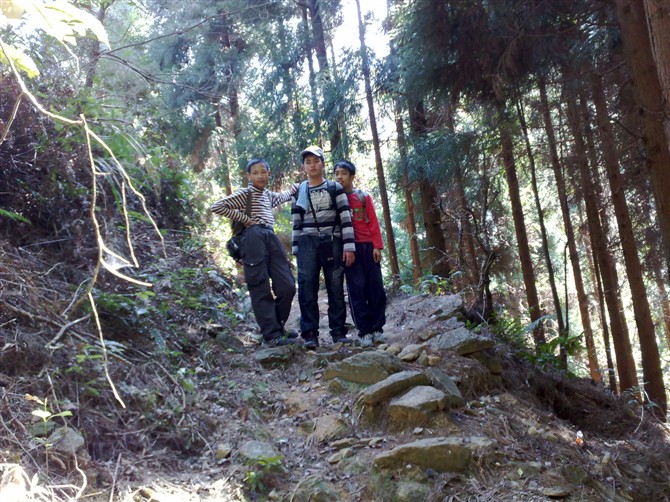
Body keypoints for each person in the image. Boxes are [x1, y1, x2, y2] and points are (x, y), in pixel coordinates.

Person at [211, 158, 298, 347]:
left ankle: (277, 327)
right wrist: (245, 219)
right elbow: (217, 206)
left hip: (270, 236)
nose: (260, 176)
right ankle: (272, 335)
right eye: (255, 172)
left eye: (263, 172)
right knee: (260, 285)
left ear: (268, 173)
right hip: (253, 237)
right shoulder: (245, 194)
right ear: (248, 175)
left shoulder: (267, 195)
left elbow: (284, 196)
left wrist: (294, 188)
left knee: (287, 285)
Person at [291, 146, 356, 349]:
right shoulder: (299, 190)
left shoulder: (335, 188)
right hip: (307, 243)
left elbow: (345, 218)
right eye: (308, 162)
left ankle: (338, 332)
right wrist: (296, 249)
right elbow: (296, 221)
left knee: (335, 286)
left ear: (323, 164)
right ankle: (310, 334)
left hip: (332, 242)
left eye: (316, 161)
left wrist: (349, 247)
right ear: (304, 166)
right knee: (307, 288)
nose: (312, 165)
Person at [334, 160, 387, 347]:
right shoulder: (335, 200)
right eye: (337, 173)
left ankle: (377, 328)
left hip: (368, 248)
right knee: (357, 290)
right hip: (350, 250)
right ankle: (364, 331)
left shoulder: (363, 197)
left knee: (376, 288)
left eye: (344, 173)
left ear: (352, 176)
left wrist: (377, 246)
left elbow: (373, 222)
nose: (340, 177)